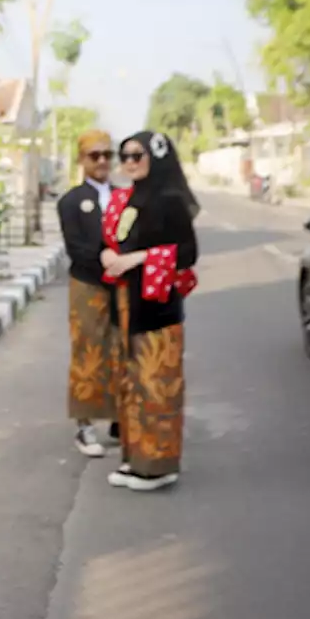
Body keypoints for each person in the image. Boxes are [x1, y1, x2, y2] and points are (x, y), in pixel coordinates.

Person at [100, 131, 200, 492]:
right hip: (126, 305)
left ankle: (158, 466)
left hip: (157, 309)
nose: (128, 162)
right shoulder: (126, 199)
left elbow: (187, 253)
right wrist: (108, 256)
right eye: (123, 155)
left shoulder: (170, 200)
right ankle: (134, 459)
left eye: (137, 155)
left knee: (157, 384)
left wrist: (137, 259)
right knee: (131, 385)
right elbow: (111, 242)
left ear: (156, 157)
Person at [56, 130, 122, 457]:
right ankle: (84, 425)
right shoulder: (70, 202)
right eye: (94, 155)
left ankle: (118, 418)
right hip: (88, 285)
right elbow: (77, 248)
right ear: (82, 160)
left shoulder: (125, 197)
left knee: (121, 351)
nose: (101, 162)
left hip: (123, 286)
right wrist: (107, 266)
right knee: (88, 353)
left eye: (107, 155)